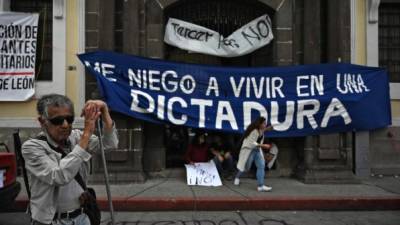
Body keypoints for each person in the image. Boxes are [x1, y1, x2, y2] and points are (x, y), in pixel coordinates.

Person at [22, 94, 119, 225]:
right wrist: (86, 135)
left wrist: (105, 111)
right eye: (57, 120)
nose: (65, 125)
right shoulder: (32, 147)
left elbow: (109, 145)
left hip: (82, 216)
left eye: (69, 119)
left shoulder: (76, 137)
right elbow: (58, 176)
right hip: (52, 220)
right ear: (42, 121)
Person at [233, 116, 273, 192]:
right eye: (264, 123)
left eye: (265, 123)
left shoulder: (260, 130)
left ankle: (260, 186)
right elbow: (252, 143)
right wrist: (264, 145)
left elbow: (261, 132)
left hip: (257, 151)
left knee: (261, 165)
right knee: (245, 167)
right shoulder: (254, 131)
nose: (265, 124)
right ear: (259, 124)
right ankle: (237, 177)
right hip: (249, 150)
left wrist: (267, 129)